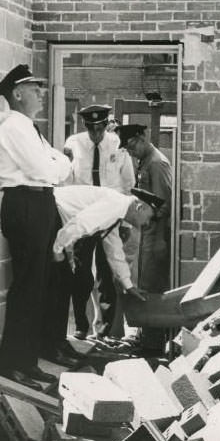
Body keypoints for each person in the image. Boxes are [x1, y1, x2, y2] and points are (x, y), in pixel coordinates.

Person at [0, 64, 72, 390]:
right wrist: (56, 165)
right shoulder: (14, 127)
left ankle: (27, 361)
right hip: (24, 204)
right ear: (17, 93)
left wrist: (56, 165)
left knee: (39, 286)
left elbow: (64, 167)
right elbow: (47, 169)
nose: (40, 92)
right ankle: (12, 364)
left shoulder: (29, 128)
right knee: (27, 287)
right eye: (33, 87)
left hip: (40, 203)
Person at [45, 186, 159, 349]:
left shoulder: (118, 211)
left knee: (63, 284)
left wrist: (128, 285)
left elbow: (114, 250)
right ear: (140, 207)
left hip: (57, 219)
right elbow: (80, 223)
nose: (145, 224)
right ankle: (56, 345)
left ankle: (58, 344)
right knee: (61, 284)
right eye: (147, 219)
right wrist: (57, 248)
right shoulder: (115, 205)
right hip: (52, 211)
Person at [63, 105, 135, 341]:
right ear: (85, 127)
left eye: (100, 128)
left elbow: (128, 185)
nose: (96, 134)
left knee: (107, 271)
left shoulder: (118, 145)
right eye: (91, 129)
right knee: (80, 273)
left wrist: (125, 223)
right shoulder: (74, 143)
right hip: (84, 215)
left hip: (110, 216)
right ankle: (81, 324)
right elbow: (67, 183)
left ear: (106, 125)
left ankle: (104, 329)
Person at [118, 124, 172, 356]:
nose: (131, 153)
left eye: (132, 147)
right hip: (146, 233)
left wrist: (155, 234)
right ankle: (145, 336)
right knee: (144, 284)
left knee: (152, 286)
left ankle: (153, 344)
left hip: (156, 235)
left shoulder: (157, 163)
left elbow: (164, 204)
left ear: (141, 138)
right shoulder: (146, 161)